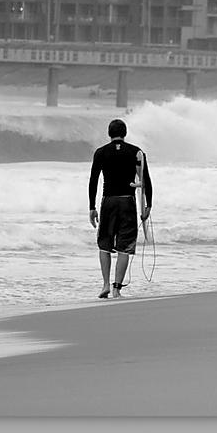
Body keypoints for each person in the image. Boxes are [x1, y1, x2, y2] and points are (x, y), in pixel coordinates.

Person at [88, 119, 152, 299]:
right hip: (127, 201)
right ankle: (116, 289)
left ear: (109, 133)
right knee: (125, 246)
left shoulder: (101, 152)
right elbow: (145, 181)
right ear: (125, 133)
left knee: (104, 244)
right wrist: (148, 205)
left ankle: (105, 284)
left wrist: (92, 207)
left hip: (108, 201)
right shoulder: (136, 152)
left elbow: (93, 181)